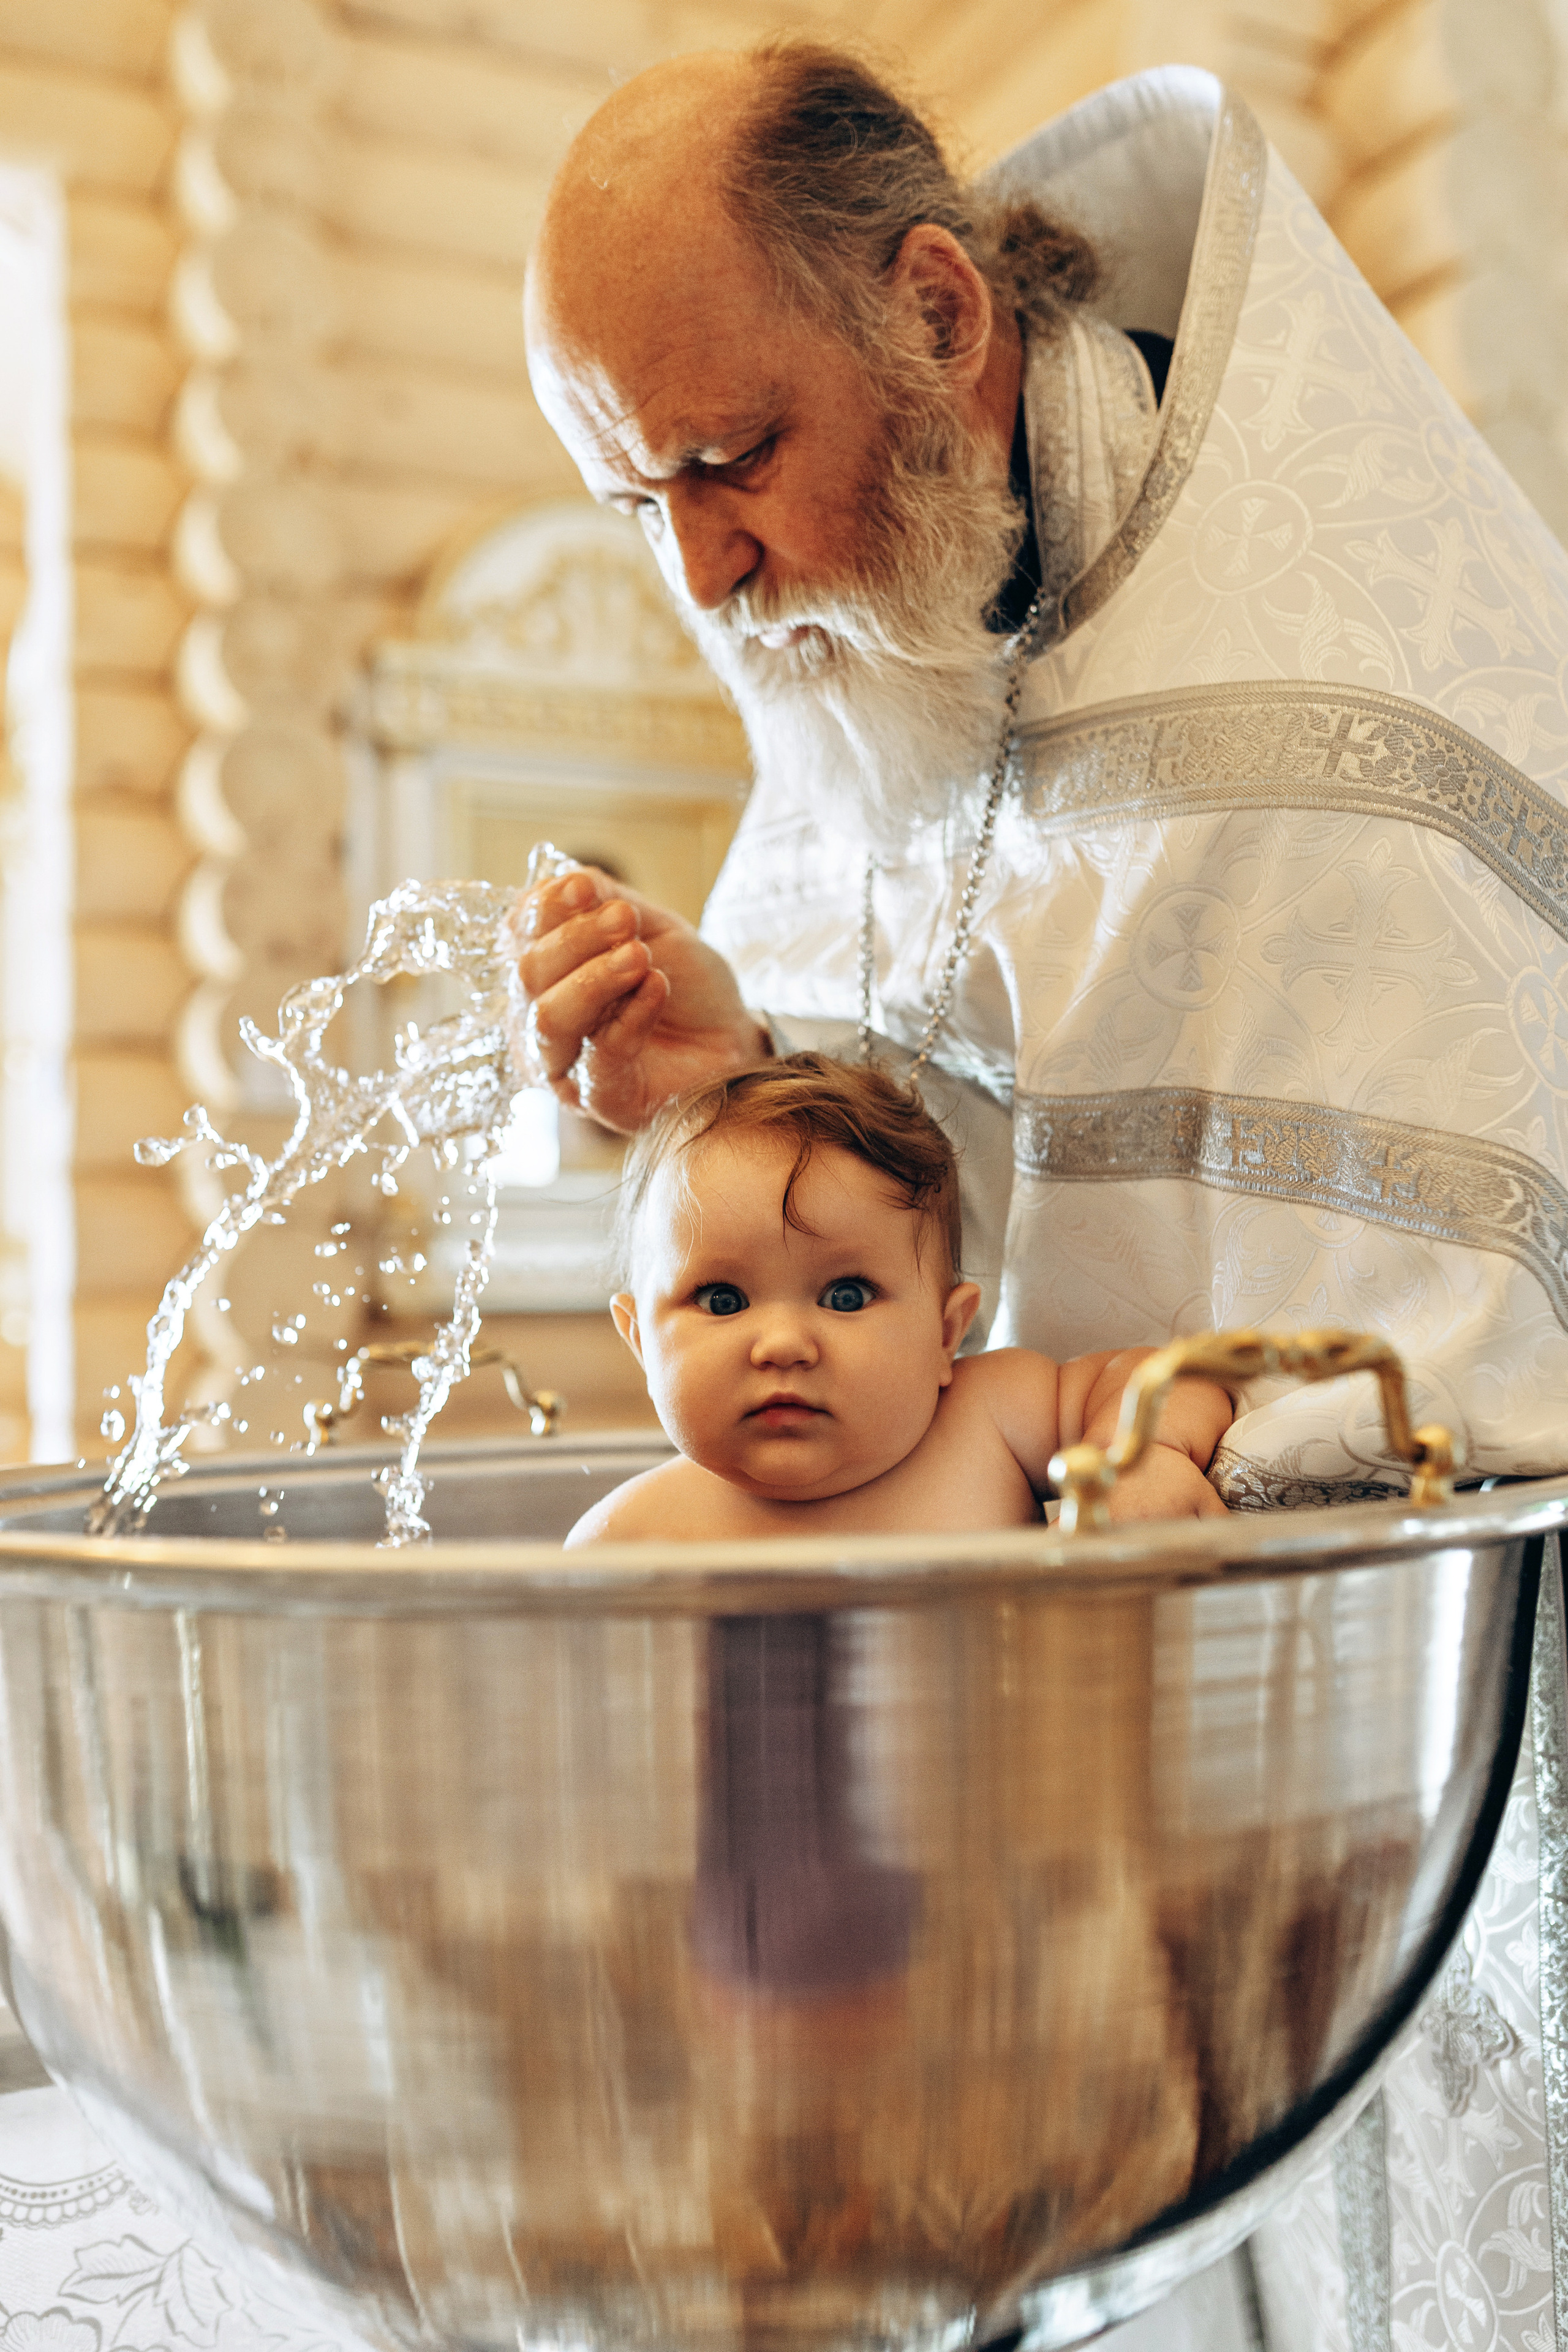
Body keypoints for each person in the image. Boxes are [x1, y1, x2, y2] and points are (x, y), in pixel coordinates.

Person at [512, 36, 1568, 2351]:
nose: (696, 563)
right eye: (631, 497)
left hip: (1421, 1758)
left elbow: (1409, 1361)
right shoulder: (877, 611)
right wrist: (732, 1078)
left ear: (932, 314)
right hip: (1043, 1798)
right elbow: (959, 1152)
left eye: (722, 459)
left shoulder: (1327, 685)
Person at [566, 1054, 1232, 1545]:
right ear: (639, 1340)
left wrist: (1144, 1457)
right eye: (721, 1300)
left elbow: (1175, 1373)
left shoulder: (988, 1419)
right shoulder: (624, 1543)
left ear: (946, 1333)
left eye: (846, 1295)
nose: (784, 1345)